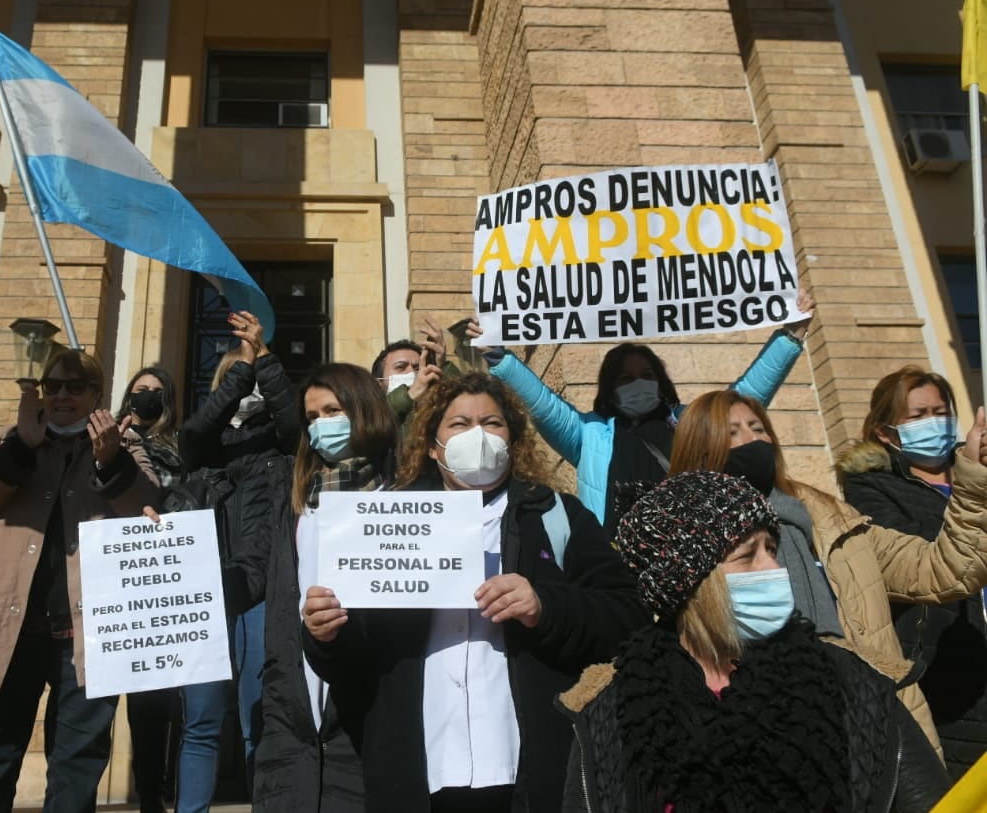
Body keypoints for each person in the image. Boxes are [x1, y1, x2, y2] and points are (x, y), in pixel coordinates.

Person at [300, 372, 648, 813]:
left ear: (513, 439)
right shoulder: (382, 523)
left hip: (532, 773)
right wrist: (324, 635)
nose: (478, 435)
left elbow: (627, 616)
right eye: (459, 424)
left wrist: (546, 607)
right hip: (419, 776)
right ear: (432, 444)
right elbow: (355, 662)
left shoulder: (558, 515)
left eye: (493, 423)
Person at [559, 470, 949, 812]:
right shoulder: (613, 710)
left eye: (771, 549)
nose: (773, 568)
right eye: (748, 556)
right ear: (687, 586)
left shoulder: (852, 681)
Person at [669, 387, 987, 756]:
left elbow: (948, 569)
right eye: (732, 432)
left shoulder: (836, 522)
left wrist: (973, 478)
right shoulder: (685, 548)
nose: (752, 439)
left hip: (883, 735)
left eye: (758, 426)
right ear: (700, 450)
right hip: (773, 747)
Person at [0, 348, 160, 813]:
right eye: (54, 386)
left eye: (75, 386)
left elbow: (150, 511)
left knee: (77, 766)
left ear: (96, 395)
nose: (62, 394)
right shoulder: (11, 437)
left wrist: (109, 461)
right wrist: (22, 445)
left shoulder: (124, 444)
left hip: (88, 636)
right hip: (11, 629)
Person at [465, 289, 815, 525]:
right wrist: (499, 356)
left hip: (694, 567)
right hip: (617, 572)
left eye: (646, 375)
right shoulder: (589, 435)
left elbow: (748, 394)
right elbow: (542, 404)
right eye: (626, 379)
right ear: (610, 390)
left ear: (661, 382)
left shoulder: (691, 423)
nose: (638, 383)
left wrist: (790, 335)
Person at [169, 311, 300, 812]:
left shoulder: (285, 448)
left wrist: (264, 359)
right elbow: (198, 431)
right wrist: (242, 371)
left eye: (251, 379)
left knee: (259, 720)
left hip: (265, 596)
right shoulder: (203, 452)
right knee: (201, 723)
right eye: (234, 380)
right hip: (209, 598)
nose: (245, 390)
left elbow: (293, 422)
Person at [252, 362, 395, 813]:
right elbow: (249, 571)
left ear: (364, 410)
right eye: (312, 418)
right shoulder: (292, 505)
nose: (321, 426)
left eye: (332, 410)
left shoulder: (405, 499)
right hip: (292, 719)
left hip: (367, 721)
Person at [836, 365, 987, 777]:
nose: (934, 423)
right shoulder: (871, 487)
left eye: (940, 411)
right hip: (949, 668)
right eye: (918, 416)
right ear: (887, 432)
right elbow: (920, 556)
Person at [116, 365, 185, 813]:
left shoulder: (177, 447)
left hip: (166, 574)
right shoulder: (106, 436)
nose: (146, 398)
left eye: (155, 393)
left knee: (161, 697)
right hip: (117, 573)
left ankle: (155, 793)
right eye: (139, 391)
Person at [371, 316, 459, 428]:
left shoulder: (434, 413)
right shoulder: (369, 420)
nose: (412, 373)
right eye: (401, 367)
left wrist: (442, 367)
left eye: (417, 368)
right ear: (379, 383)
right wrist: (408, 395)